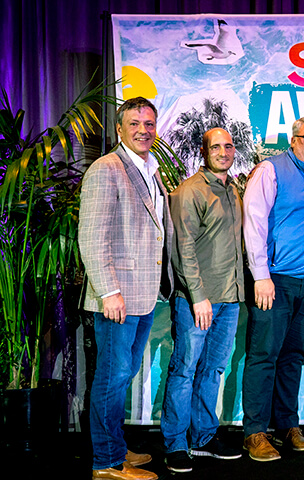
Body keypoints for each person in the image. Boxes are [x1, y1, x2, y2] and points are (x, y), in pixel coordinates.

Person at [79, 97, 173, 480]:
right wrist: (108, 291)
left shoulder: (151, 169)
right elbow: (92, 237)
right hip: (117, 296)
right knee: (111, 376)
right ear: (119, 128)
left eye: (149, 124)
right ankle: (105, 461)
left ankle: (115, 446)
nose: (143, 130)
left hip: (144, 293)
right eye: (134, 123)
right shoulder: (107, 169)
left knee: (123, 372)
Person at [242, 115, 304, 461]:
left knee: (293, 356)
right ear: (294, 139)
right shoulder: (271, 170)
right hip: (275, 279)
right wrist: (260, 275)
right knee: (264, 354)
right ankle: (255, 432)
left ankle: (286, 425)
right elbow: (254, 222)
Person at [160, 128, 244, 473]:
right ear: (203, 150)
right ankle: (176, 443)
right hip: (199, 301)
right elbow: (184, 249)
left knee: (213, 370)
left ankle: (204, 436)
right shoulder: (190, 191)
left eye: (228, 146)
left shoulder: (232, 190)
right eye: (216, 147)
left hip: (229, 299)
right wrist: (197, 297)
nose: (223, 152)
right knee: (184, 370)